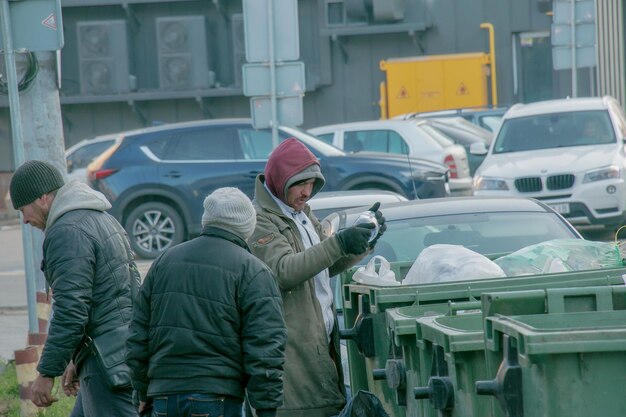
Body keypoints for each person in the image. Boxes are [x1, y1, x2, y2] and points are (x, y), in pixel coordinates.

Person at [249, 138, 386, 417]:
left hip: (321, 340)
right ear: (281, 180)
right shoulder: (261, 219)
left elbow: (320, 266)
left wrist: (364, 242)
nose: (307, 192)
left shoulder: (301, 212)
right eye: (300, 184)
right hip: (291, 352)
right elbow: (283, 271)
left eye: (312, 185)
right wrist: (338, 244)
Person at [126, 187, 287, 417]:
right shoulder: (253, 270)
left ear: (207, 220)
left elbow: (138, 335)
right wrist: (266, 409)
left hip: (163, 395)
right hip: (217, 395)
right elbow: (265, 349)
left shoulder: (165, 261)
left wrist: (142, 391)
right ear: (247, 226)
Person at [9, 160, 138, 415]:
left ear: (43, 197)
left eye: (23, 209)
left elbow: (71, 309)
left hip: (105, 362)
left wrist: (47, 373)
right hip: (119, 351)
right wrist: (77, 357)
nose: (24, 220)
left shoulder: (66, 232)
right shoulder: (100, 217)